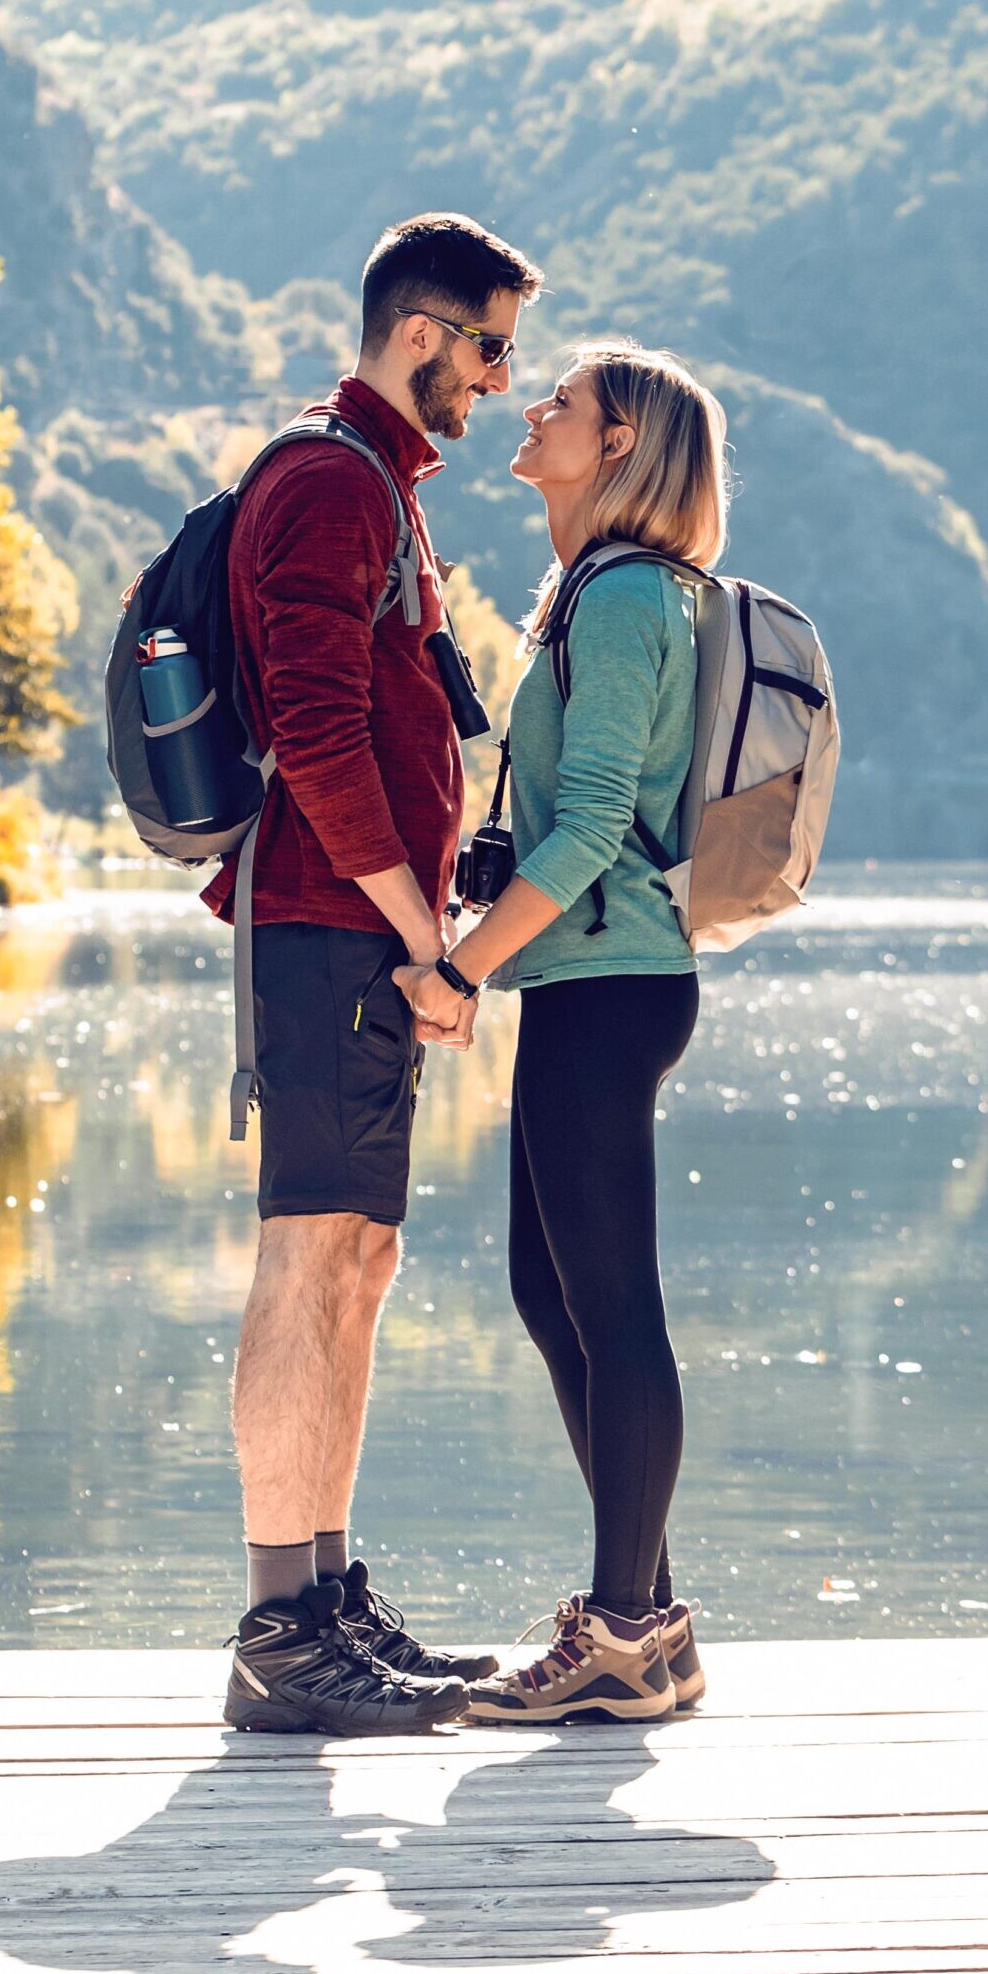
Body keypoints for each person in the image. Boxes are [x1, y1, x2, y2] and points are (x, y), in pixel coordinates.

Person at [212, 212, 544, 1734]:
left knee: (361, 1255)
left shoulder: (375, 486)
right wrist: (426, 940)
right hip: (331, 926)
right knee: (309, 1250)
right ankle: (281, 1627)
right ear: (418, 333)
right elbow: (323, 734)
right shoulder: (327, 482)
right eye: (486, 350)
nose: (496, 382)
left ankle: (328, 1598)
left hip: (360, 925)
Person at [396, 342, 728, 1723]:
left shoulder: (629, 599)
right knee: (555, 1297)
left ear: (621, 448)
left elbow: (595, 827)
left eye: (564, 405)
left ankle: (630, 1626)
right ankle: (644, 1618)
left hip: (606, 986)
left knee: (611, 1306)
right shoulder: (596, 594)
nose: (532, 411)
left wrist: (459, 971)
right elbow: (573, 814)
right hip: (589, 983)